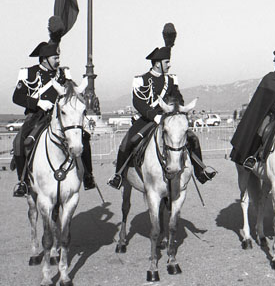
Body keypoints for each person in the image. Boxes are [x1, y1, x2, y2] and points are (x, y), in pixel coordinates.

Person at [107, 31, 217, 189]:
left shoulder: (171, 80)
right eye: (167, 62)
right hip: (147, 119)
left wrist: (177, 111)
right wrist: (154, 116)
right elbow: (138, 102)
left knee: (193, 139)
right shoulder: (141, 79)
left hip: (168, 119)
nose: (169, 65)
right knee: (128, 142)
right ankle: (118, 175)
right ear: (157, 63)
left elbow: (178, 98)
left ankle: (200, 171)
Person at [12, 18, 96, 197]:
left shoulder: (63, 73)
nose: (58, 60)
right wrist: (37, 103)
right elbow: (16, 97)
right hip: (36, 116)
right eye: (55, 58)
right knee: (18, 143)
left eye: (58, 57)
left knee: (84, 138)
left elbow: (73, 93)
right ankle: (23, 181)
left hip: (60, 116)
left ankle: (88, 175)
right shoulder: (28, 73)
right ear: (45, 59)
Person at [230, 49, 275, 170]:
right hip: (273, 115)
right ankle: (253, 156)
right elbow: (262, 101)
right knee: (262, 129)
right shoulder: (269, 78)